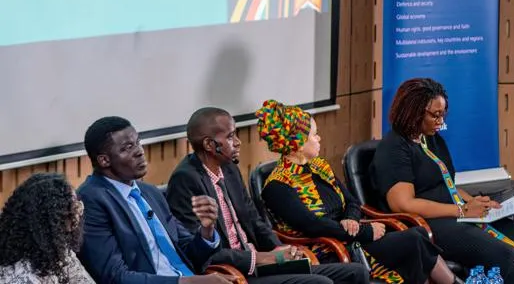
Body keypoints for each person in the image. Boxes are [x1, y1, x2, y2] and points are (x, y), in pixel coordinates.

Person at [257, 100, 463, 284]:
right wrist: (365, 231)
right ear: (298, 144)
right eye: (313, 134)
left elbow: (352, 202)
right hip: (330, 249)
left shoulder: (319, 166)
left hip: (352, 236)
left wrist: (351, 219)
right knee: (413, 240)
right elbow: (313, 226)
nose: (319, 138)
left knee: (416, 234)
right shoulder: (277, 185)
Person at [371, 78, 514, 284]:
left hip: (456, 215)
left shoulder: (430, 138)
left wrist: (475, 203)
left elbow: (447, 184)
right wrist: (461, 211)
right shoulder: (394, 149)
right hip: (430, 224)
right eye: (435, 115)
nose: (441, 121)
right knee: (506, 255)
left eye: (443, 114)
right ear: (413, 111)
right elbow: (404, 204)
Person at [166, 106, 370, 284]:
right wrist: (259, 258)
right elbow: (200, 251)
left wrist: (280, 250)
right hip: (234, 272)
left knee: (356, 272)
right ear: (210, 145)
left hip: (261, 263)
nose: (237, 142)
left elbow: (254, 220)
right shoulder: (186, 180)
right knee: (319, 282)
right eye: (229, 136)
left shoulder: (229, 168)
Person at [77, 116, 237, 284]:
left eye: (138, 142)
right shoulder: (91, 201)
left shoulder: (150, 193)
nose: (140, 151)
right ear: (104, 160)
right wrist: (189, 282)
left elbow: (187, 253)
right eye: (128, 148)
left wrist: (206, 231)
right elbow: (115, 277)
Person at [0, 172, 94, 284]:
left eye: (77, 206)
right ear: (47, 222)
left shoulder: (56, 248)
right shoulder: (17, 275)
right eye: (71, 209)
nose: (77, 215)